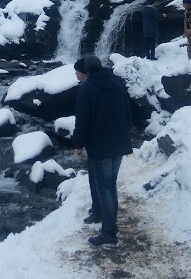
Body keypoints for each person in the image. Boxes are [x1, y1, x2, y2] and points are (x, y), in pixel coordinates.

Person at [73, 55, 133, 247]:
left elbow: (82, 120)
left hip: (100, 145)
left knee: (105, 188)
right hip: (119, 143)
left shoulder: (87, 88)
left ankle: (109, 232)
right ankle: (106, 220)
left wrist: (78, 143)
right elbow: (128, 113)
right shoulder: (116, 84)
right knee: (109, 185)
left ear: (88, 71)